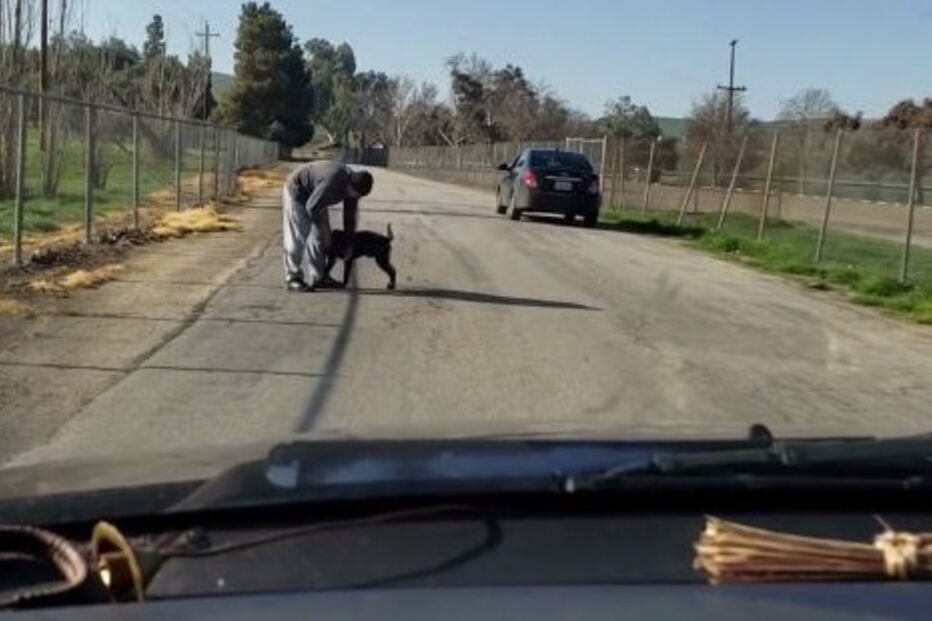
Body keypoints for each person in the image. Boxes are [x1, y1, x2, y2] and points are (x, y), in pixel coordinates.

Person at [281, 161, 374, 292]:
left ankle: (319, 277)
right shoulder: (332, 181)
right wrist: (312, 228)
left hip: (317, 200)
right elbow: (311, 207)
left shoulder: (354, 188)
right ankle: (292, 277)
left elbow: (349, 217)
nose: (355, 198)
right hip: (298, 192)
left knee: (323, 238)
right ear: (350, 186)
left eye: (359, 197)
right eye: (355, 194)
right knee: (298, 236)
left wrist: (349, 243)